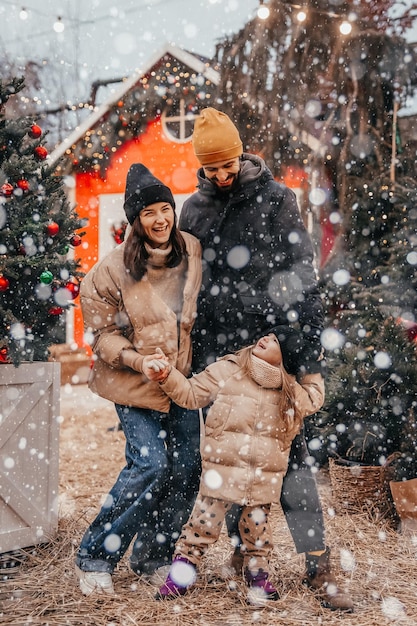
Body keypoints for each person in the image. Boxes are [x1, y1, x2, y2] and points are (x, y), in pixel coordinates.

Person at [177, 107, 353, 611]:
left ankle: (318, 563)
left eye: (227, 164)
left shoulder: (277, 201)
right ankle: (243, 557)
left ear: (240, 154)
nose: (221, 175)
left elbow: (301, 275)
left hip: (271, 350)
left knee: (288, 459)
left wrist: (298, 350)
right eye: (211, 168)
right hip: (221, 355)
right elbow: (193, 284)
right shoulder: (194, 211)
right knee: (232, 459)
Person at [74, 163, 202, 596]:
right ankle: (95, 555)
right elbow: (102, 335)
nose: (160, 219)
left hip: (181, 384)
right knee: (151, 464)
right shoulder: (110, 271)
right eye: (148, 212)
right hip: (134, 383)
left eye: (165, 208)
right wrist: (135, 359)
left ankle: (153, 555)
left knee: (186, 469)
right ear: (135, 220)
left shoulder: (195, 254)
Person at [142, 328, 325, 604]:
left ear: (285, 358)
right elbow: (191, 393)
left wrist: (312, 365)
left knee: (258, 532)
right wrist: (168, 376)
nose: (265, 338)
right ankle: (181, 574)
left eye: (275, 341)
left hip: (262, 478)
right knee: (200, 527)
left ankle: (257, 575)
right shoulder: (231, 368)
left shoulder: (290, 392)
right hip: (222, 472)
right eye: (267, 335)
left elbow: (314, 397)